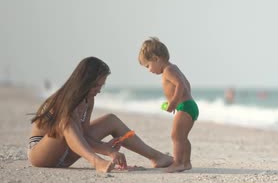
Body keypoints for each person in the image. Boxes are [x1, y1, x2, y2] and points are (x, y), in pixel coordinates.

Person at [28, 57, 173, 173]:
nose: (99, 90)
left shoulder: (88, 100)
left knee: (111, 120)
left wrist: (106, 147)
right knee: (67, 120)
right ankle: (97, 162)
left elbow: (83, 135)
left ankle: (157, 157)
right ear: (84, 82)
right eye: (96, 85)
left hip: (67, 154)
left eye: (102, 85)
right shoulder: (62, 100)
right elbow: (70, 131)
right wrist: (106, 151)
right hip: (43, 155)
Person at [138, 37, 198, 173]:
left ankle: (177, 163)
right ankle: (186, 163)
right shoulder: (174, 68)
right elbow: (187, 84)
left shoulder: (168, 71)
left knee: (176, 136)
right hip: (189, 105)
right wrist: (179, 101)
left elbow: (181, 85)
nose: (149, 70)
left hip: (185, 106)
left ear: (155, 59)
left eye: (148, 65)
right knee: (182, 137)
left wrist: (175, 102)